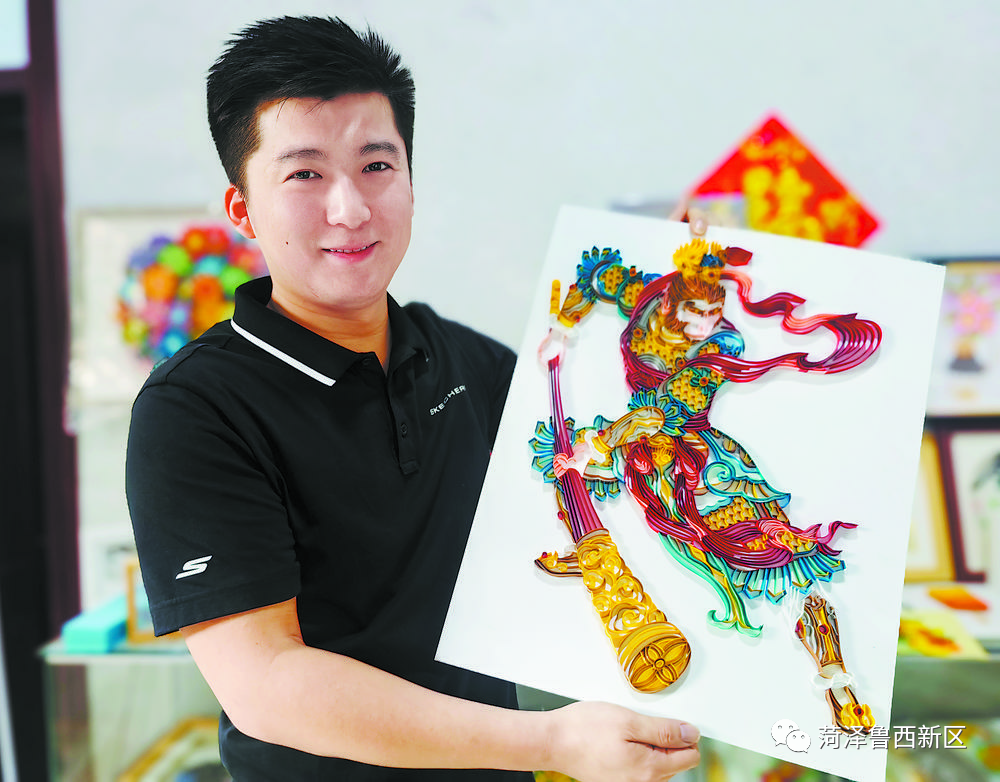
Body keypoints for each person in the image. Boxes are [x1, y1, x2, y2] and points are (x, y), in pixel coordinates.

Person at [125, 15, 701, 782]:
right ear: (242, 209)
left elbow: (614, 461)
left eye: (376, 165)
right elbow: (266, 685)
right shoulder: (195, 409)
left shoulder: (467, 362)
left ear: (410, 181)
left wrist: (674, 302)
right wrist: (551, 744)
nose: (351, 209)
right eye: (304, 175)